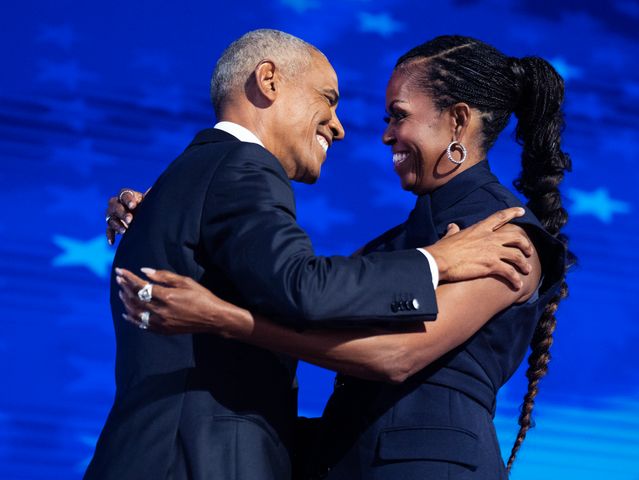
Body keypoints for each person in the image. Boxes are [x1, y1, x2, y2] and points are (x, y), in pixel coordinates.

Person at [111, 35, 573, 479]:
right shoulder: (394, 247)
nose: (385, 135)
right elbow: (301, 294)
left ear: (457, 121)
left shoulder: (504, 236)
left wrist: (225, 318)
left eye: (398, 116)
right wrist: (176, 212)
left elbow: (397, 357)